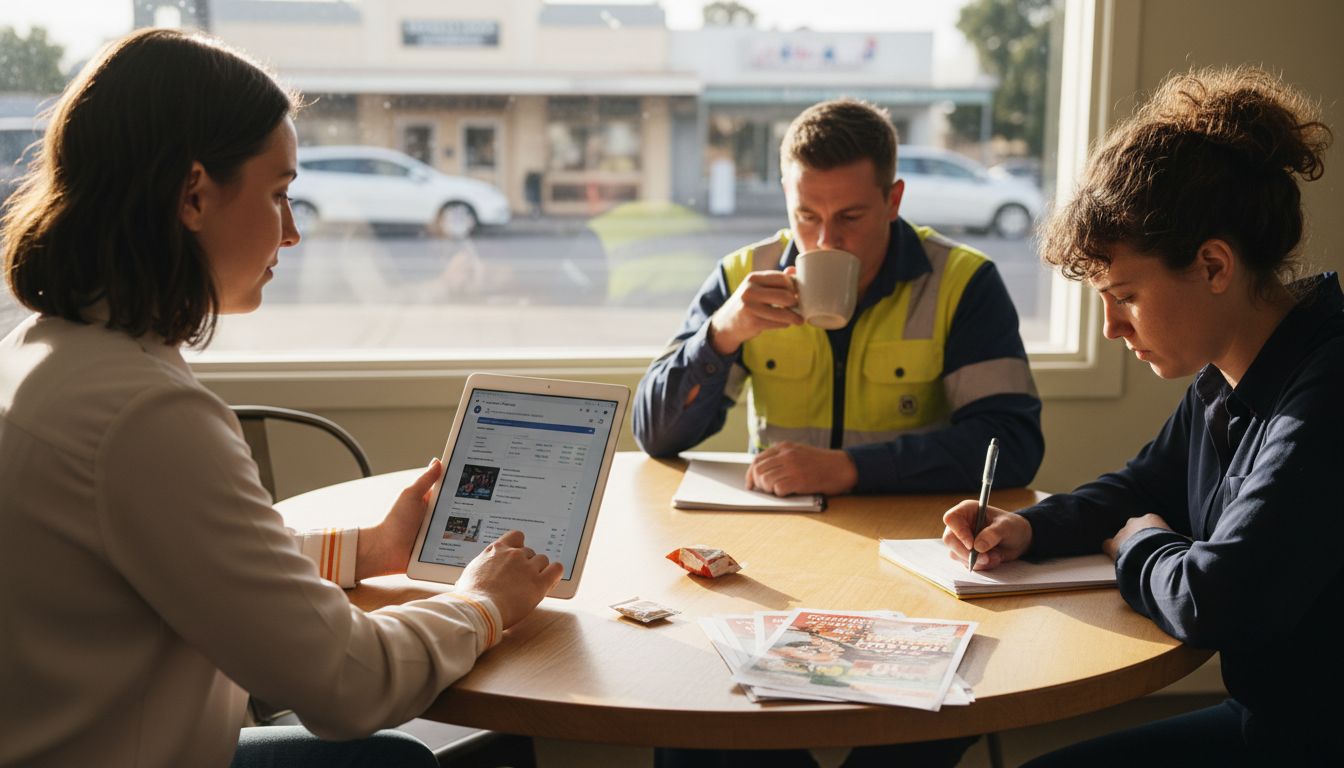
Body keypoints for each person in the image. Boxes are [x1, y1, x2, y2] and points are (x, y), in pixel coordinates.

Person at [0, 29, 562, 768]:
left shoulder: (42, 353)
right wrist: (482, 603)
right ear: (193, 195)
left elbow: (194, 559)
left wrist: (371, 549)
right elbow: (347, 686)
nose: (292, 233)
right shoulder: (145, 416)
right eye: (278, 194)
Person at [942, 67, 1339, 765]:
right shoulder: (1233, 370)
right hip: (1272, 719)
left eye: (1123, 295)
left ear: (1214, 265)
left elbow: (1216, 600)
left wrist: (1137, 548)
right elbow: (1146, 488)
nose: (1111, 329)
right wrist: (1030, 526)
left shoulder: (1329, 386)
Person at [633, 98, 1043, 498]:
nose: (826, 240)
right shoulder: (742, 277)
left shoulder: (962, 282)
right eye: (806, 216)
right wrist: (721, 334)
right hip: (782, 527)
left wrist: (851, 468)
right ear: (786, 198)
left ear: (893, 201)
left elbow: (1012, 447)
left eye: (850, 216)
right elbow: (655, 436)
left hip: (906, 532)